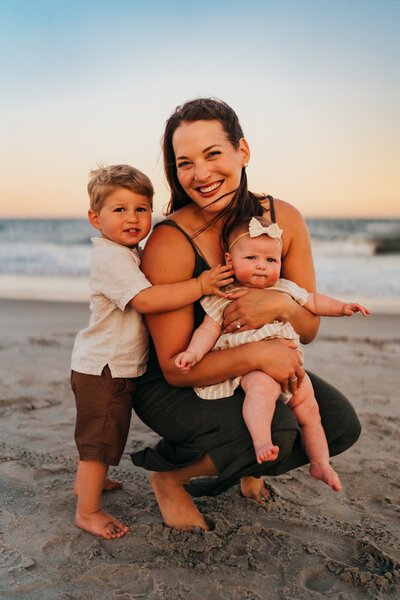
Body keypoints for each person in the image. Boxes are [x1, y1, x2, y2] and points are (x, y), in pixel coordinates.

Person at [130, 98, 362, 532]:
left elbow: (308, 329)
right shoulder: (171, 240)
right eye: (185, 163)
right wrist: (260, 357)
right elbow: (174, 368)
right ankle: (170, 478)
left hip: (251, 361)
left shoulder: (284, 220)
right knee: (277, 427)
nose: (200, 174)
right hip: (177, 379)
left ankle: (249, 468)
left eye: (213, 154)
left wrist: (279, 304)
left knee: (340, 424)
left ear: (243, 152)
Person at [70, 164, 233, 540]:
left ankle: (88, 484)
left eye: (141, 209)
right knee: (99, 441)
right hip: (104, 368)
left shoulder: (127, 252)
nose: (132, 218)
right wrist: (201, 283)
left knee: (106, 433)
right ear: (96, 218)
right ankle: (88, 510)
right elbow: (145, 299)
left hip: (111, 365)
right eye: (119, 209)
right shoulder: (111, 258)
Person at [175, 215, 369, 490]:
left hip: (290, 367)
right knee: (262, 392)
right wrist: (193, 354)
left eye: (271, 261)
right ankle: (262, 440)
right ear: (230, 261)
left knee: (309, 410)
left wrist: (342, 307)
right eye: (252, 258)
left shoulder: (284, 289)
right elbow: (208, 330)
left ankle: (320, 463)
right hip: (252, 368)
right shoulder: (224, 295)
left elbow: (313, 301)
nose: (262, 267)